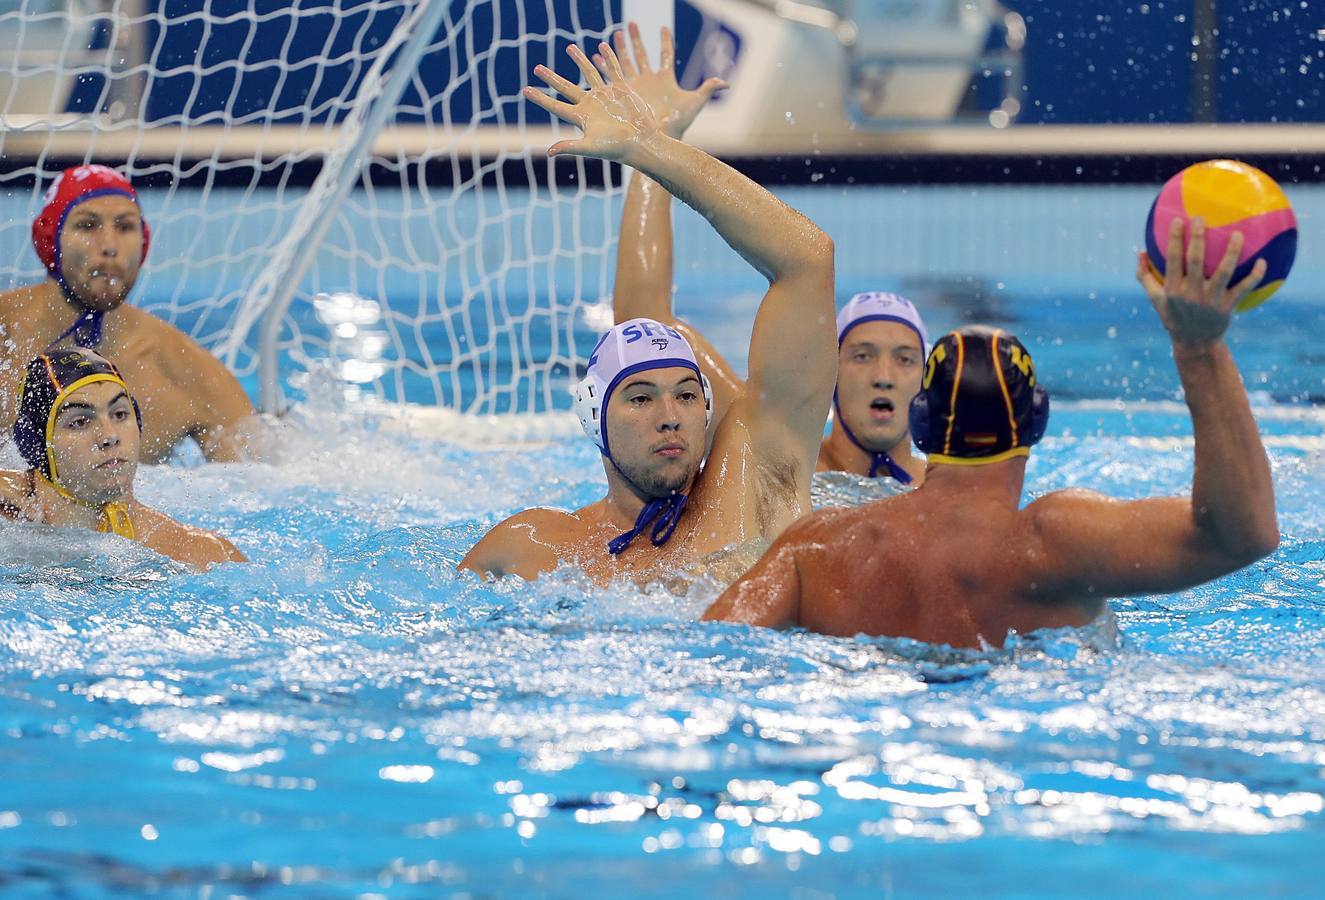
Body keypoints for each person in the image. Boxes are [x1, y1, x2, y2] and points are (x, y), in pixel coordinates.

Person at [704, 218, 1279, 648]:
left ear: (921, 422)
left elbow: (712, 651)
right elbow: (1241, 536)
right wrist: (1200, 349)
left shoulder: (816, 548)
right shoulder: (1058, 541)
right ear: (1039, 421)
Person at [459, 33, 837, 585]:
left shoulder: (752, 482)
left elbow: (809, 258)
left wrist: (653, 147)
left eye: (687, 395)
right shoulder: (532, 545)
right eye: (640, 398)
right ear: (595, 418)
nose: (670, 415)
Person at [603, 25, 927, 485]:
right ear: (826, 371)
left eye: (904, 359)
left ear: (926, 385)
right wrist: (656, 146)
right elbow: (644, 320)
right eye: (861, 356)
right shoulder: (772, 452)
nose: (883, 376)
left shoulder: (944, 492)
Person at [0, 164, 256, 463]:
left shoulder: (186, 373)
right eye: (87, 225)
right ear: (49, 240)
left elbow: (260, 487)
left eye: (125, 227)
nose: (109, 246)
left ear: (144, 242)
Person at [0, 347, 246, 570]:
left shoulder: (202, 554)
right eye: (80, 422)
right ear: (37, 445)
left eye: (119, 414)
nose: (109, 436)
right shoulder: (9, 523)